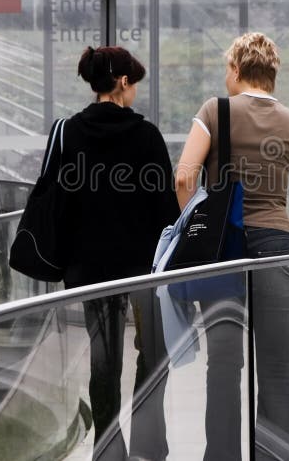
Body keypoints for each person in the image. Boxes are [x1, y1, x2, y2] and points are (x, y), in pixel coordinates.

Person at [175, 32, 289, 461]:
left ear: (235, 70)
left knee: (224, 370)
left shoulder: (214, 111)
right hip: (278, 253)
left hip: (221, 258)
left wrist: (193, 233)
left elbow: (183, 178)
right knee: (277, 374)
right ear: (272, 73)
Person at [51, 46, 179, 461]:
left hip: (88, 268)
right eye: (135, 81)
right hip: (141, 269)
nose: (136, 89)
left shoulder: (69, 132)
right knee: (154, 352)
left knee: (103, 364)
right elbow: (165, 210)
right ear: (122, 82)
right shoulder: (146, 135)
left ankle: (107, 452)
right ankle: (148, 445)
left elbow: (59, 201)